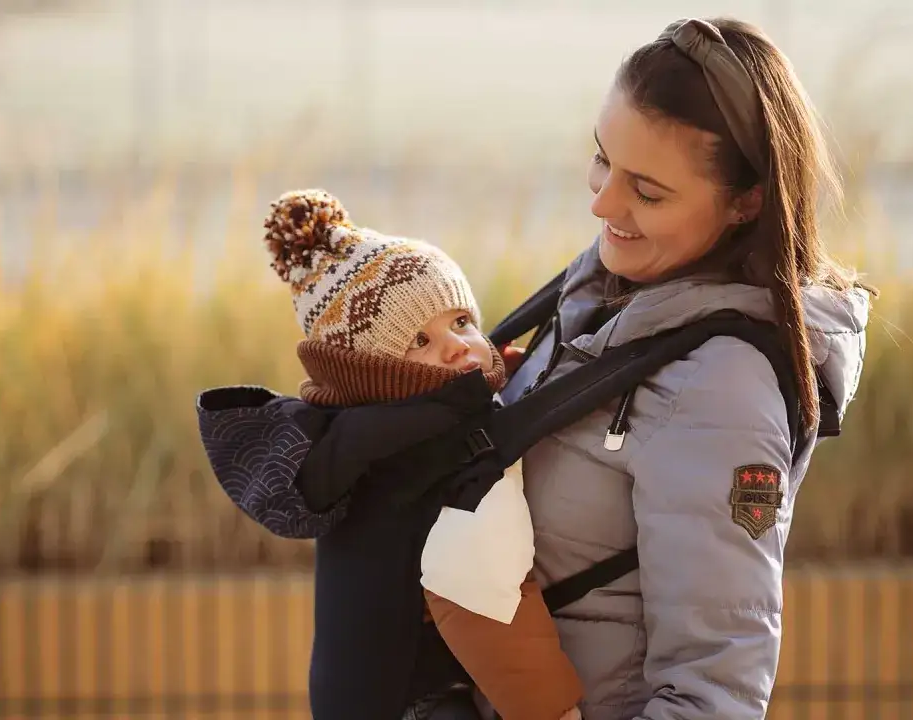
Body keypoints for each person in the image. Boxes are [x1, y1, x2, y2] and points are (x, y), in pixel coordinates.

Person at [490, 17, 875, 720]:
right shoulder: (607, 294)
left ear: (745, 203)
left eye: (648, 191)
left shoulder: (720, 392)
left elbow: (713, 696)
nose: (603, 202)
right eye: (603, 159)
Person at [196, 188, 584, 720]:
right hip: (407, 699)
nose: (456, 346)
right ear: (372, 376)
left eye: (461, 323)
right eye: (418, 342)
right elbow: (481, 576)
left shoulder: (395, 424)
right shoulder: (397, 446)